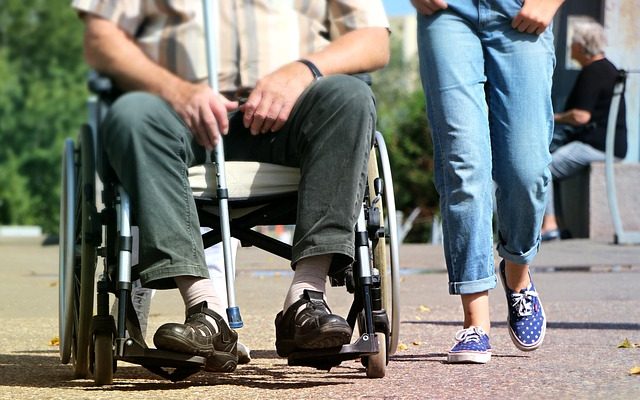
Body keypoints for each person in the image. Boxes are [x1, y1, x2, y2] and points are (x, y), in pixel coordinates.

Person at [71, 0, 390, 372]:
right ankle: (204, 310)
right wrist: (175, 88)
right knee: (132, 115)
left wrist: (303, 70)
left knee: (350, 97)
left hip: (292, 113)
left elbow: (372, 40)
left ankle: (307, 297)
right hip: (178, 114)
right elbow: (101, 38)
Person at [411, 0, 564, 363]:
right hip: (447, 13)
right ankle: (475, 322)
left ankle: (517, 275)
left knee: (526, 169)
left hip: (521, 8)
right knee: (463, 165)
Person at [540, 16, 627, 241]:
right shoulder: (607, 68)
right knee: (552, 166)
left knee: (545, 168)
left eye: (572, 45)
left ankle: (550, 225)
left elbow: (580, 116)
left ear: (580, 46)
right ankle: (559, 224)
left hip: (597, 145)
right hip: (609, 144)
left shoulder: (594, 71)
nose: (570, 49)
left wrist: (553, 117)